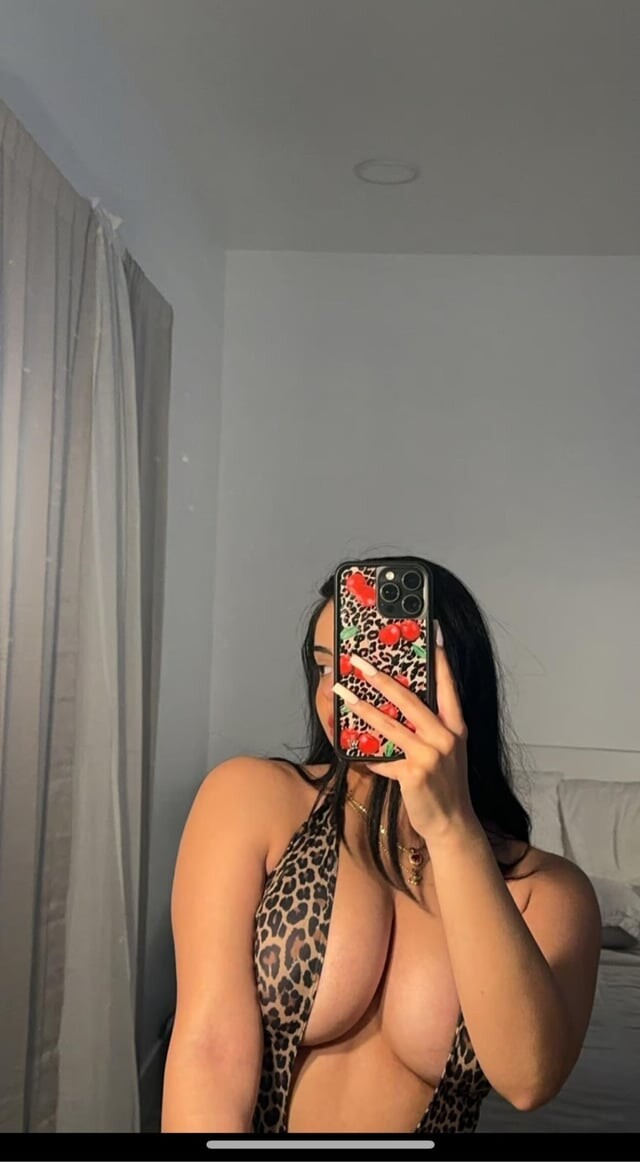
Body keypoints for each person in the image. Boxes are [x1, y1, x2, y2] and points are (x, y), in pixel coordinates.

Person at [161, 556, 601, 1134]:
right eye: (326, 667)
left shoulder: (545, 891)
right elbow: (208, 1051)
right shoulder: (251, 798)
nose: (337, 693)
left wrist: (452, 829)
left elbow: (529, 1080)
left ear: (446, 677)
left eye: (371, 667)